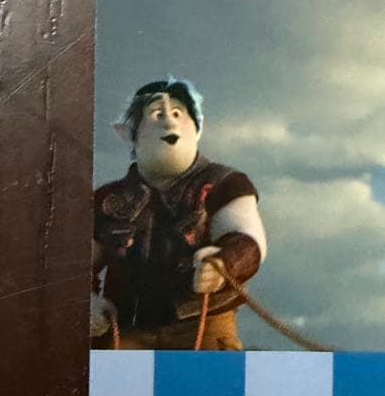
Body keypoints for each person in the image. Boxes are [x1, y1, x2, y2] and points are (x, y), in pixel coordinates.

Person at [90, 78, 266, 350]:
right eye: (156, 115)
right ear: (127, 132)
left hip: (204, 324)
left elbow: (246, 237)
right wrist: (86, 302)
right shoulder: (105, 200)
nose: (169, 122)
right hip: (124, 327)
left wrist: (224, 262)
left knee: (215, 375)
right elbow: (74, 265)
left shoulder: (227, 184)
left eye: (177, 113)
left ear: (198, 127)